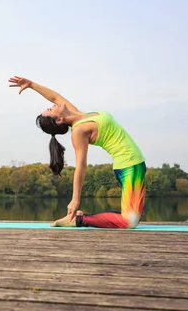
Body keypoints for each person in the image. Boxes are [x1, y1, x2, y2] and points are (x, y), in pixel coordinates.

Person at [8, 75, 146, 229]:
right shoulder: (78, 131)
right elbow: (81, 166)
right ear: (59, 120)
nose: (53, 105)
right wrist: (75, 200)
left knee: (131, 217)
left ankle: (79, 218)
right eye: (50, 108)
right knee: (130, 222)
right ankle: (78, 220)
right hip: (129, 166)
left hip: (132, 163)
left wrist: (31, 84)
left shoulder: (79, 115)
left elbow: (55, 96)